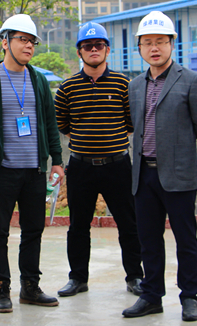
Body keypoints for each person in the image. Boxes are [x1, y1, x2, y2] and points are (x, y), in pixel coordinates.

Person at [0, 14, 65, 313]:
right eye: (22, 39)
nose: (29, 46)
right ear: (5, 42)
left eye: (32, 41)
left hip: (34, 170)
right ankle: (1, 287)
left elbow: (50, 122)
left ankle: (30, 287)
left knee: (33, 230)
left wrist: (57, 162)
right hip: (2, 170)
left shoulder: (38, 79)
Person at [123, 11, 197, 322]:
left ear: (172, 44)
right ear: (139, 47)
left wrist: (175, 144)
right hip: (143, 175)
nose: (154, 48)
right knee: (149, 240)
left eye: (160, 41)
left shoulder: (191, 80)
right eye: (147, 42)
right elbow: (134, 125)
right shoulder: (135, 86)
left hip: (178, 173)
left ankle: (190, 297)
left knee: (186, 239)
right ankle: (151, 296)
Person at [53, 21, 144, 299]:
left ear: (107, 49)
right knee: (78, 226)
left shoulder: (124, 84)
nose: (94, 50)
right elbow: (63, 124)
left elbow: (131, 123)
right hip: (81, 167)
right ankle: (78, 278)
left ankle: (135, 276)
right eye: (87, 46)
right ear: (79, 51)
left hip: (117, 165)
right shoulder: (67, 88)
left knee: (129, 224)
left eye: (99, 45)